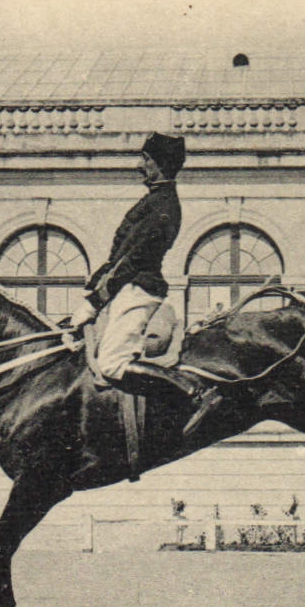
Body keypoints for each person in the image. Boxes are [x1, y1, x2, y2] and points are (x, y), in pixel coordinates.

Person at [69, 132, 225, 436]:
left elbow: (135, 258)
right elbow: (119, 255)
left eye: (146, 160)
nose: (140, 165)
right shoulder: (155, 200)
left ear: (161, 165)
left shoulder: (164, 204)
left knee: (112, 365)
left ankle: (193, 394)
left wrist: (97, 298)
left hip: (139, 289)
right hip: (125, 287)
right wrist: (96, 286)